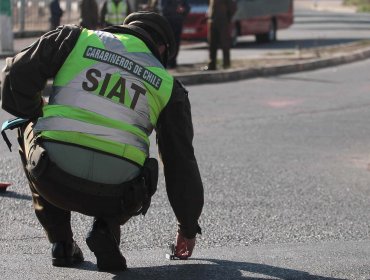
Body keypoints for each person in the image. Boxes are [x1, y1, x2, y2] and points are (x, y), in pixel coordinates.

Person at [1, 11, 204, 271]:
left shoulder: (76, 39)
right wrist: (187, 228)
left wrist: (34, 111)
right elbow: (181, 163)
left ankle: (61, 244)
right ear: (162, 48)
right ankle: (105, 229)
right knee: (135, 159)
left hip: (52, 177)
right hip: (117, 196)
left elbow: (14, 75)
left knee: (26, 123)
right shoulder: (168, 86)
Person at [204, 0, 235, 70]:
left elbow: (232, 7)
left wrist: (227, 18)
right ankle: (211, 65)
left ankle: (226, 64)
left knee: (224, 43)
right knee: (212, 44)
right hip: (212, 21)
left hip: (222, 21)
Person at [161, 0, 190, 68]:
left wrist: (184, 10)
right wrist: (176, 9)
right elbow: (164, 8)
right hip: (168, 23)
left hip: (178, 22)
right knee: (167, 43)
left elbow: (187, 7)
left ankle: (173, 62)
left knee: (176, 43)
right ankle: (167, 62)